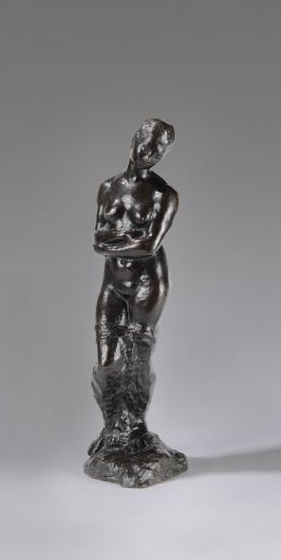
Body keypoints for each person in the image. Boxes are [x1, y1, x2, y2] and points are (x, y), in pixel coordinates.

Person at [88, 118, 180, 458]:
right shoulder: (108, 188)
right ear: (135, 139)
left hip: (148, 283)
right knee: (108, 362)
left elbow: (148, 246)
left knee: (138, 357)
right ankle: (113, 428)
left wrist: (118, 240)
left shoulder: (163, 195)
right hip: (113, 284)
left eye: (159, 151)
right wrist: (131, 238)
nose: (150, 153)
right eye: (147, 144)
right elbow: (97, 240)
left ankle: (137, 427)